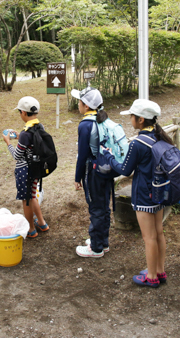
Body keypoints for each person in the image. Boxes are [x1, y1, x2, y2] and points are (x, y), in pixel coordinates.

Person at [103, 99, 180, 287]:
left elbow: (125, 169)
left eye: (132, 116)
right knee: (158, 233)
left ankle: (151, 277)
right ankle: (159, 271)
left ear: (140, 120)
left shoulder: (138, 143)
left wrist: (108, 156)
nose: (130, 119)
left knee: (148, 237)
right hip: (160, 191)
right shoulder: (159, 136)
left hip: (144, 194)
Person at [73, 87, 113, 258]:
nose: (78, 104)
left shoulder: (85, 125)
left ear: (86, 105)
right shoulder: (103, 119)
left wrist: (77, 177)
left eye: (80, 102)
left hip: (93, 171)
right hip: (107, 168)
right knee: (104, 206)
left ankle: (96, 248)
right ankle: (102, 242)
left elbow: (82, 155)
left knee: (95, 207)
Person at [2, 96, 49, 238]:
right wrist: (19, 136)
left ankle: (31, 229)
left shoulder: (25, 133)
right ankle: (42, 223)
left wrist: (8, 143)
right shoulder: (39, 127)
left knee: (26, 199)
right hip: (36, 169)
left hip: (25, 170)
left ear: (23, 112)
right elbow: (31, 142)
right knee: (32, 195)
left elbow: (17, 156)